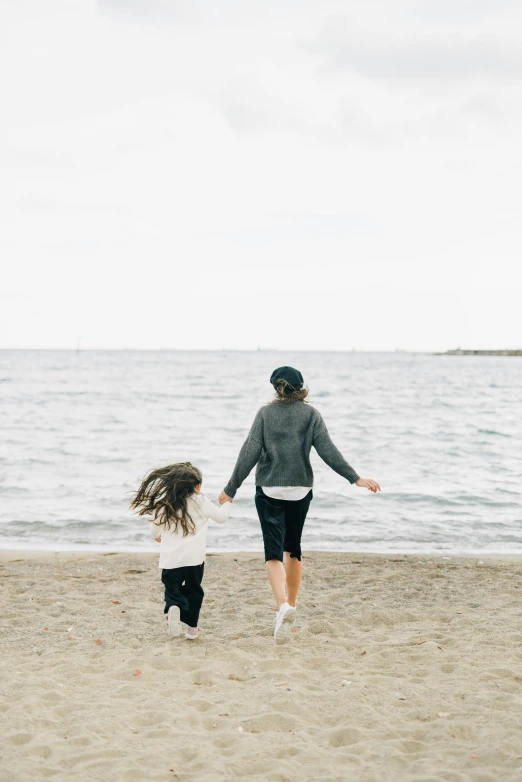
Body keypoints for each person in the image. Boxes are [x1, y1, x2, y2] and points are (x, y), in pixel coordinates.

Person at [219, 366, 380, 643]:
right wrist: (356, 478)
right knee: (293, 549)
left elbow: (249, 451)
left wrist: (231, 488)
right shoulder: (311, 414)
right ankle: (291, 604)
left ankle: (282, 606)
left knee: (273, 553)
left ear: (275, 388)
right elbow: (328, 450)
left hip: (269, 489)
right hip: (301, 490)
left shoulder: (265, 414)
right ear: (301, 386)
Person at [131, 462, 230, 639]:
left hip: (171, 560)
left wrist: (157, 536)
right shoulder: (201, 501)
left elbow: (155, 528)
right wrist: (227, 503)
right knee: (194, 591)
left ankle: (173, 607)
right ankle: (191, 629)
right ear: (197, 486)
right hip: (194, 560)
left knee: (172, 590)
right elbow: (221, 518)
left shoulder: (166, 503)